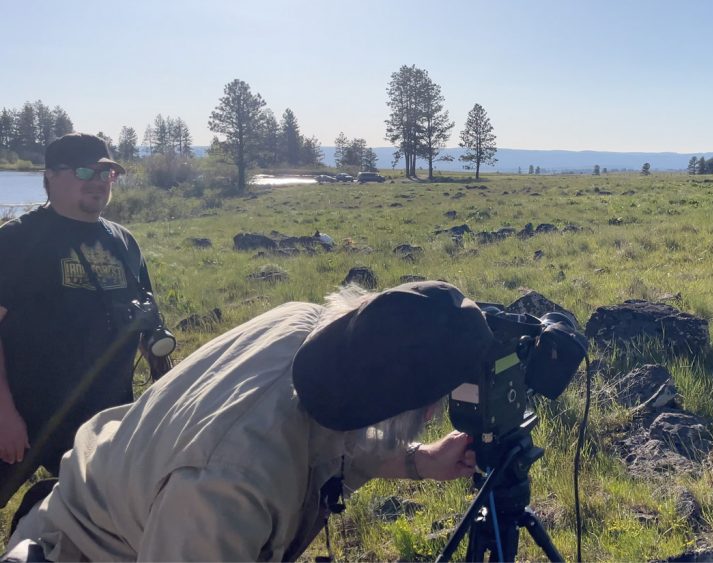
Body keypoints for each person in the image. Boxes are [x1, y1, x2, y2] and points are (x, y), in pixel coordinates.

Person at [8, 280, 494, 561]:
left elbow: (334, 424)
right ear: (420, 411)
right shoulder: (228, 488)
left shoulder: (310, 329)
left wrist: (419, 461)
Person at [0, 133, 170, 510]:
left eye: (107, 173)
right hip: (23, 416)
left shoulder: (123, 242)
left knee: (93, 522)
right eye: (84, 170)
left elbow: (146, 322)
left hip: (101, 422)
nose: (98, 181)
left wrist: (167, 398)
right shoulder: (17, 240)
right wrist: (4, 413)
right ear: (50, 177)